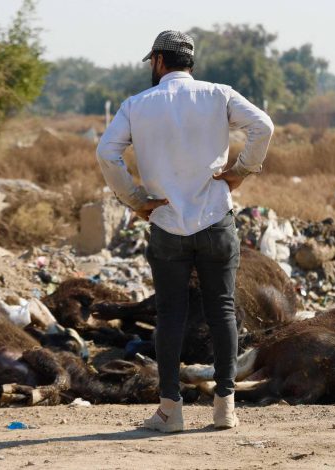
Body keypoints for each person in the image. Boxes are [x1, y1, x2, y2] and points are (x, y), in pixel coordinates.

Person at [96, 30, 273, 432]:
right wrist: (241, 171)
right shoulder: (218, 94)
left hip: (166, 225)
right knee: (222, 310)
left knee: (170, 315)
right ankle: (225, 406)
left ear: (159, 61)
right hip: (216, 219)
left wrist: (135, 198)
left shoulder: (136, 105)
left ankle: (170, 410)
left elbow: (106, 152)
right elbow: (263, 126)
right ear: (189, 62)